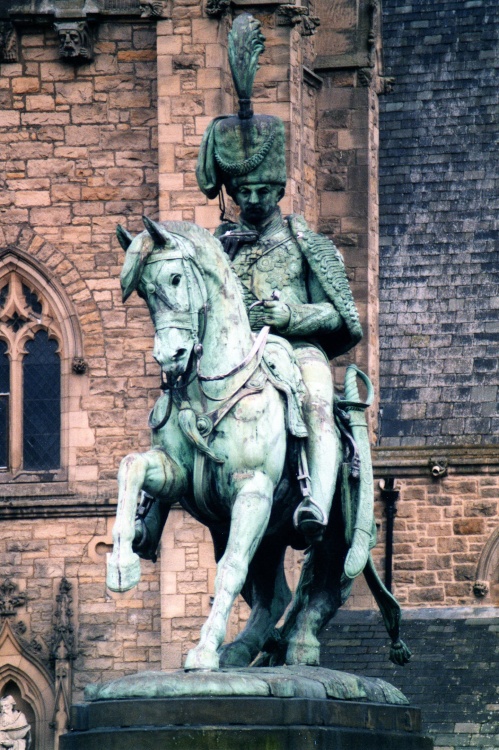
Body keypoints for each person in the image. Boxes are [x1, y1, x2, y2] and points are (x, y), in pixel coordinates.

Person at [196, 14, 362, 541]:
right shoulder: (218, 248)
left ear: (278, 191)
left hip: (297, 351)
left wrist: (291, 315)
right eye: (242, 193)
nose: (251, 202)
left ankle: (315, 498)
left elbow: (341, 314)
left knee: (316, 397)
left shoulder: (304, 243)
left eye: (261, 193)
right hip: (239, 359)